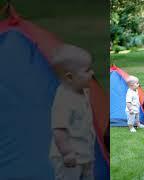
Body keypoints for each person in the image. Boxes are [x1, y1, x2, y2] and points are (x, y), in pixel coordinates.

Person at [49, 44, 95, 180]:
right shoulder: (64, 100)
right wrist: (67, 153)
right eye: (87, 71)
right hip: (69, 158)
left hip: (86, 154)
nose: (92, 73)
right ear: (70, 77)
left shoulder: (83, 90)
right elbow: (59, 130)